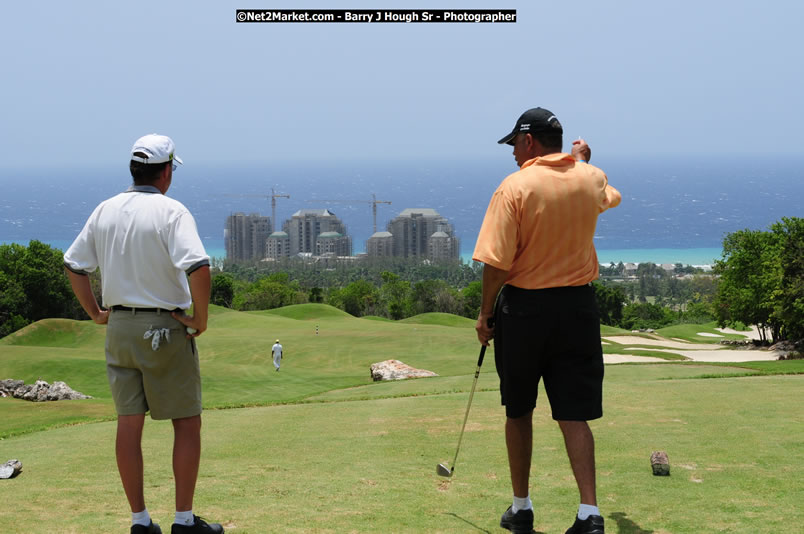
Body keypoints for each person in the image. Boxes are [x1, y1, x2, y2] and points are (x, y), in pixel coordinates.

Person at [63, 134, 224, 534]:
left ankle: (140, 522)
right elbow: (199, 266)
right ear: (167, 170)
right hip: (164, 328)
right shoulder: (172, 211)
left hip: (119, 328)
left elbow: (74, 264)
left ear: (134, 169)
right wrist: (200, 319)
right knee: (186, 422)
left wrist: (97, 313)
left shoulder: (105, 209)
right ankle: (184, 522)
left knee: (128, 423)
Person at [472, 108, 621, 534]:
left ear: (529, 142)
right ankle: (589, 514)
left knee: (518, 410)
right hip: (578, 310)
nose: (513, 154)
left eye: (515, 145)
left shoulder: (515, 187)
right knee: (575, 413)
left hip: (525, 311)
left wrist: (485, 314)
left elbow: (496, 264)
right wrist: (583, 161)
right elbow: (604, 192)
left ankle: (522, 509)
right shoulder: (589, 177)